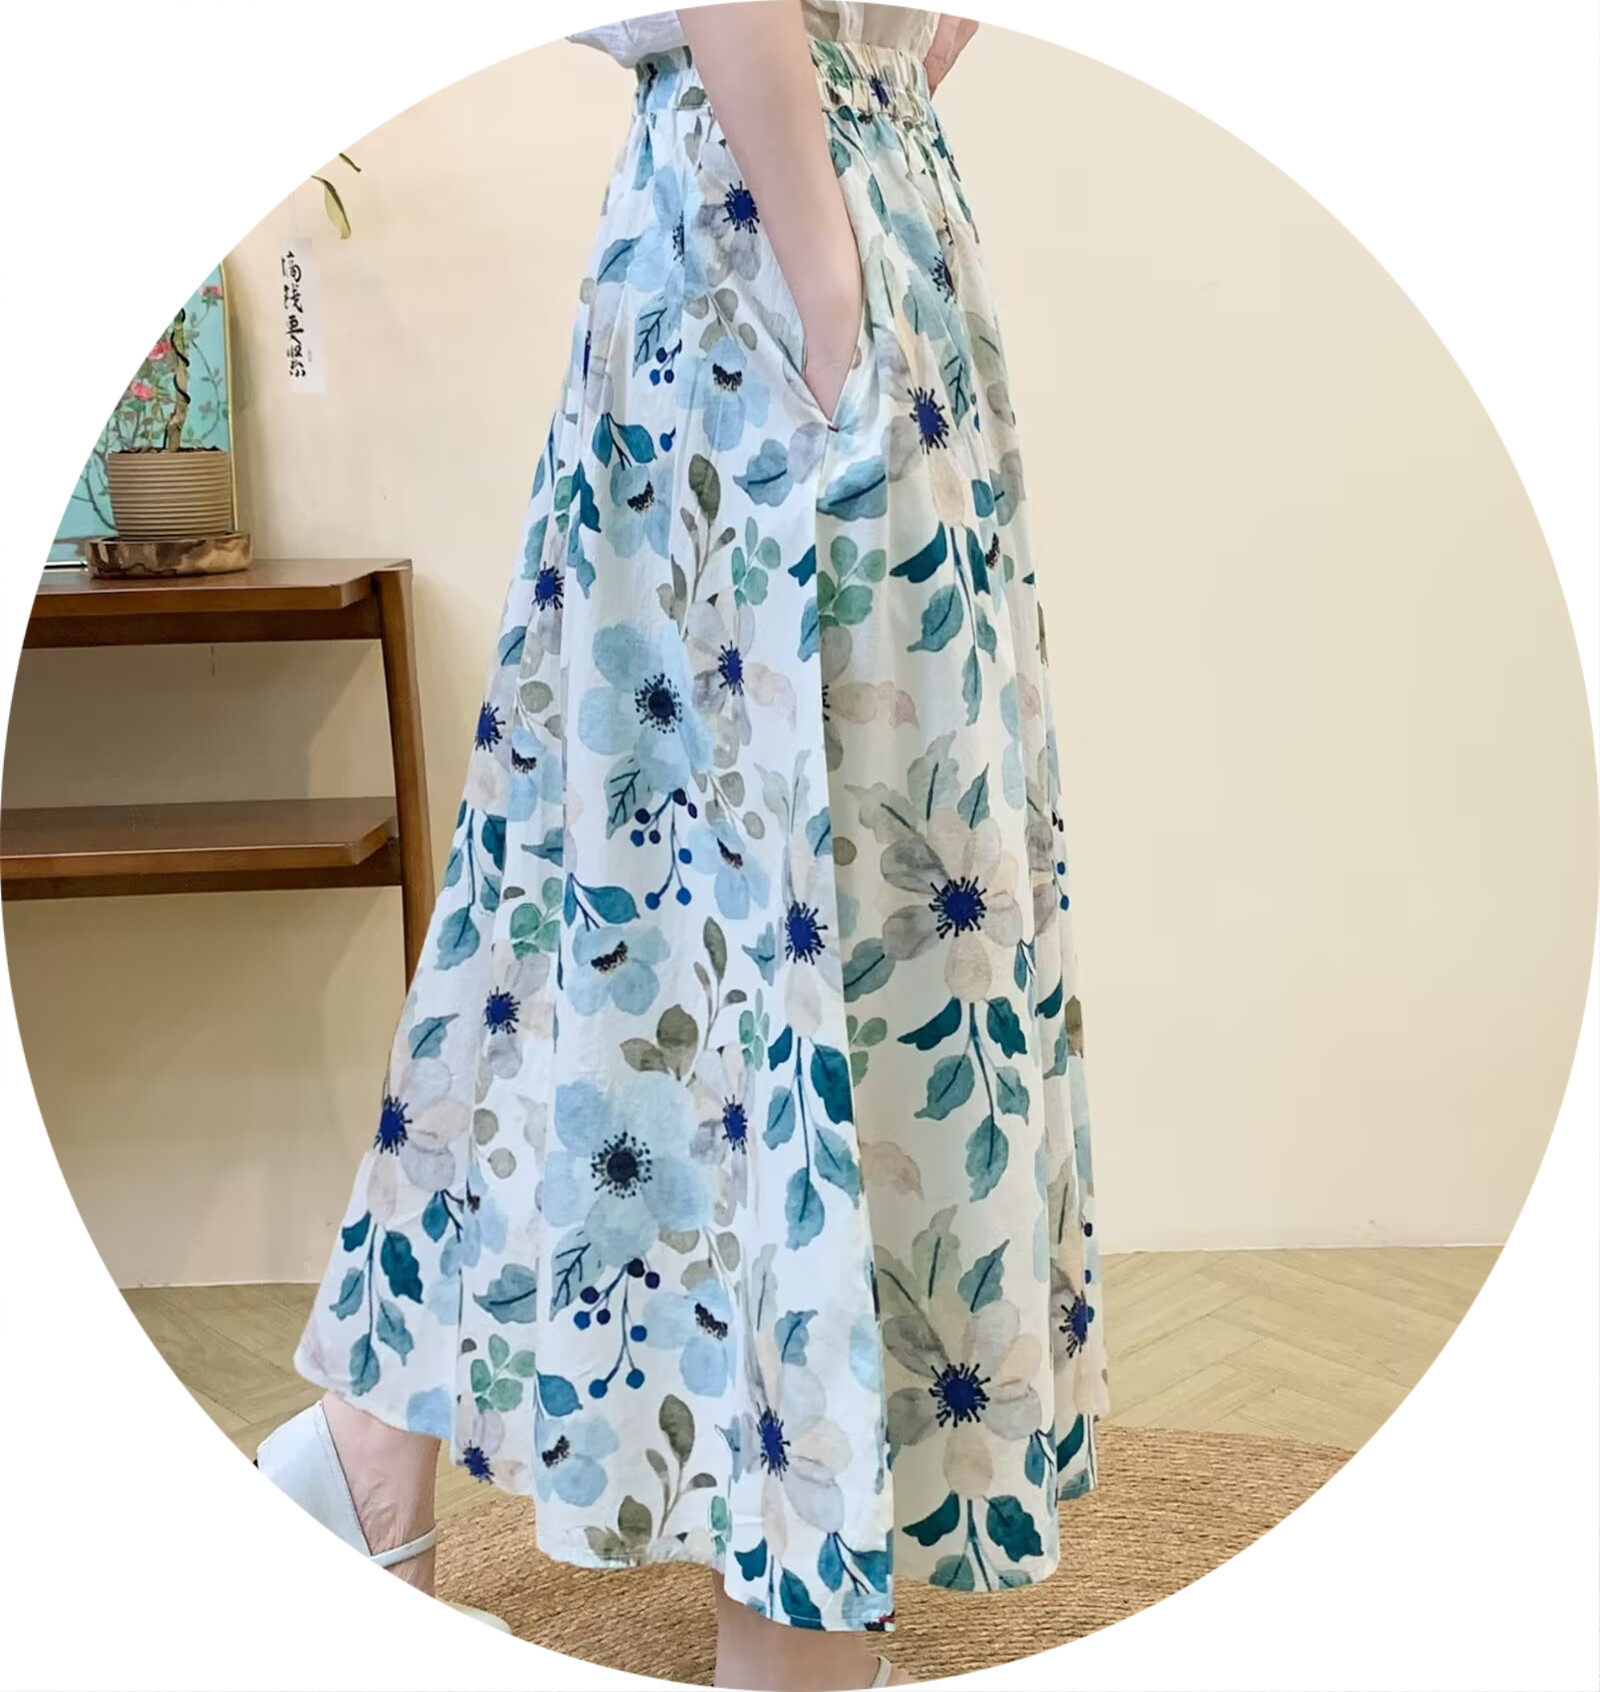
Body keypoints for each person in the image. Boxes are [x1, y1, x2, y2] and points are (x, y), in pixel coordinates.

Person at [258, 6, 1110, 1688]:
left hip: (794, 206)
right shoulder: (813, 238)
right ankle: (791, 1590)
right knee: (815, 888)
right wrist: (832, 283)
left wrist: (858, 159)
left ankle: (363, 1456)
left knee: (605, 878)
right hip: (788, 239)